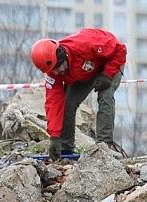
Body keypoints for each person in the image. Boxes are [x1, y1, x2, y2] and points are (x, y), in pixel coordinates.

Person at [30, 28, 127, 160]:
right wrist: (54, 138)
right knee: (67, 103)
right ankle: (65, 146)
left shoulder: (86, 44)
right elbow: (53, 103)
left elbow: (120, 49)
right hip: (82, 72)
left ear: (61, 58)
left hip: (110, 62)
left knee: (106, 96)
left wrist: (108, 74)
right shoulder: (53, 72)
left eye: (56, 69)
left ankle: (104, 145)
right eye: (52, 71)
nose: (56, 73)